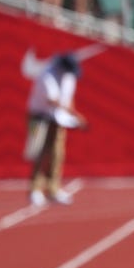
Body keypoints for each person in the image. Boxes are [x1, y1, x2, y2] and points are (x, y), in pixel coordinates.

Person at [25, 48, 97, 206]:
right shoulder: (47, 74)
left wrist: (72, 116)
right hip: (39, 116)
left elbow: (68, 98)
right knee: (39, 151)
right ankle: (35, 189)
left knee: (57, 153)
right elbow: (54, 101)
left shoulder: (69, 76)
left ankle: (53, 188)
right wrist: (77, 116)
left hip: (58, 119)